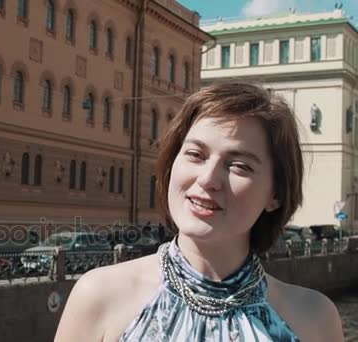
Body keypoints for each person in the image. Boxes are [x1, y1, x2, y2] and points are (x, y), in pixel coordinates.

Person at [54, 82, 344, 341]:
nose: (207, 179)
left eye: (239, 165)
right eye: (195, 154)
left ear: (276, 194)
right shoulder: (99, 296)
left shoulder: (314, 318)